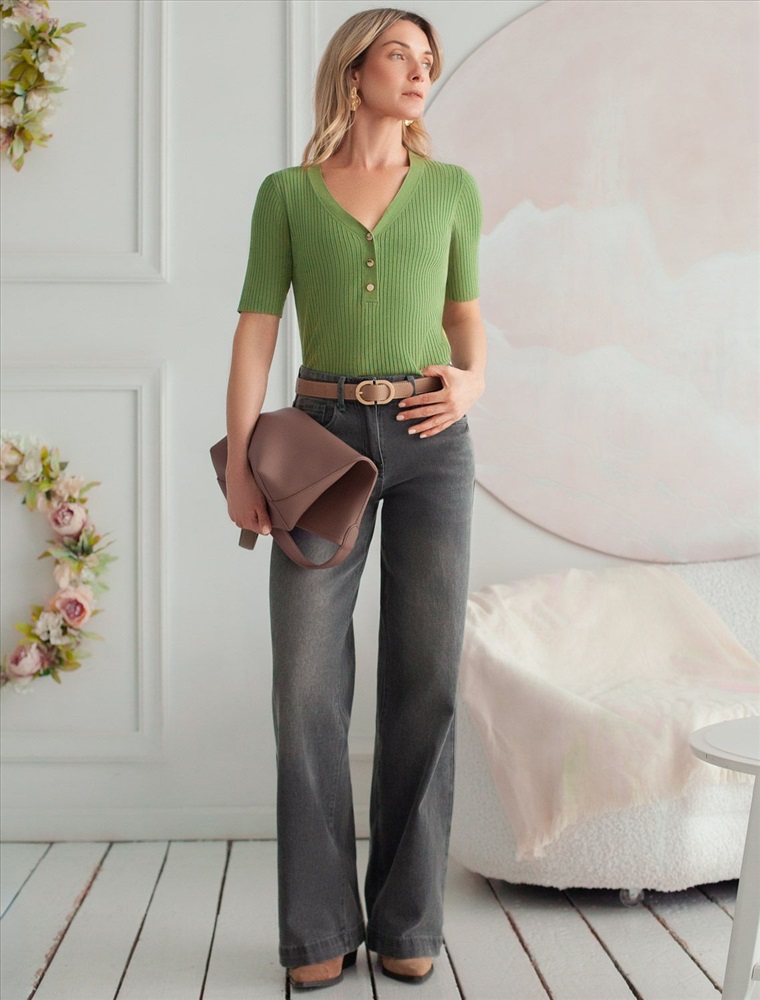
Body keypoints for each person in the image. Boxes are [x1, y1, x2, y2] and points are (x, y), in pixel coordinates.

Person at [224, 7, 485, 991]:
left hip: (432, 441)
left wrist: (471, 384)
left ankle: (409, 917)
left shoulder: (452, 189)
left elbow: (465, 317)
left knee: (427, 677)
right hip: (318, 439)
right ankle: (318, 926)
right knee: (304, 685)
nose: (419, 73)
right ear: (352, 71)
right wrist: (242, 461)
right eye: (398, 56)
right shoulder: (287, 194)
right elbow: (256, 327)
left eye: (428, 60)